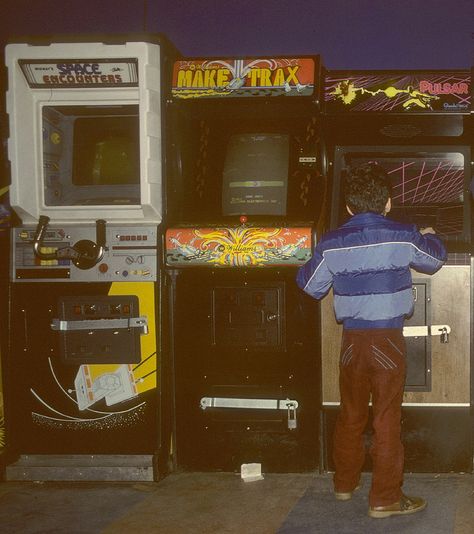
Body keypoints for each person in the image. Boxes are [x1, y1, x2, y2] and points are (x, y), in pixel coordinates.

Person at [296, 162, 447, 518]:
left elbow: (309, 285)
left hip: (351, 342)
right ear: (389, 203)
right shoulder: (404, 234)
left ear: (348, 207)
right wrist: (428, 233)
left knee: (349, 414)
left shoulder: (331, 243)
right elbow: (434, 259)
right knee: (385, 419)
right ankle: (385, 499)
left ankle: (344, 485)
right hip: (387, 341)